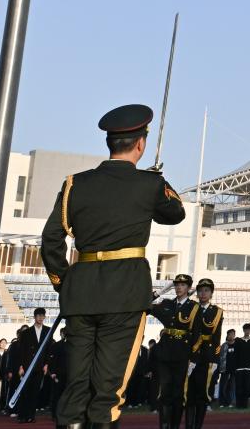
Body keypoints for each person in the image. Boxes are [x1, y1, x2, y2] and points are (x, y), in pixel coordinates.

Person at [41, 103, 187, 429]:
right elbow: (175, 213)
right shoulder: (149, 184)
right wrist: (159, 181)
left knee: (76, 386)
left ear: (109, 142)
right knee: (108, 392)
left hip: (81, 294)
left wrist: (64, 282)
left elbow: (51, 239)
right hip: (125, 295)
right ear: (141, 144)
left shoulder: (75, 184)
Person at [148, 274, 198, 429]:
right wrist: (158, 293)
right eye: (176, 285)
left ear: (188, 288)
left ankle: (174, 425)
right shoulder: (166, 304)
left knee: (178, 393)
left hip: (182, 354)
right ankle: (164, 426)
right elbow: (145, 306)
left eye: (182, 285)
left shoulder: (194, 307)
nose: (178, 287)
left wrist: (194, 358)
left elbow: (197, 334)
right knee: (164, 392)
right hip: (165, 353)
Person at [185, 278, 222, 429]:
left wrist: (215, 359)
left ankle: (197, 426)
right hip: (191, 356)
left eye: (206, 290)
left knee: (202, 395)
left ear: (211, 293)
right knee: (189, 395)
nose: (203, 293)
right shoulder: (191, 308)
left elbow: (217, 336)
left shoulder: (217, 311)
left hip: (207, 357)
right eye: (200, 291)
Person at [13, 309, 51, 423]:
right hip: (27, 366)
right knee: (25, 391)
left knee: (35, 392)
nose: (40, 318)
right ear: (34, 317)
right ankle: (22, 415)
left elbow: (49, 349)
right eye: (38, 315)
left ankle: (31, 416)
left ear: (44, 317)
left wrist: (46, 364)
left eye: (42, 315)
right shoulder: (26, 332)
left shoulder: (48, 331)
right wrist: (21, 366)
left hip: (40, 367)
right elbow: (22, 351)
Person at [47, 329, 68, 420]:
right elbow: (52, 360)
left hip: (69, 374)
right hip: (58, 374)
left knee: (67, 395)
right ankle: (55, 414)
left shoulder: (72, 345)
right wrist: (52, 373)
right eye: (64, 333)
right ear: (61, 334)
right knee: (56, 395)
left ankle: (65, 413)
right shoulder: (56, 345)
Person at [233, 325, 250, 409]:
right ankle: (238, 404)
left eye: (249, 330)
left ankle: (245, 404)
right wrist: (235, 367)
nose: (247, 331)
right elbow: (235, 354)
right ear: (243, 330)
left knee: (247, 387)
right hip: (239, 368)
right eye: (246, 330)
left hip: (248, 368)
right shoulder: (238, 341)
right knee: (239, 387)